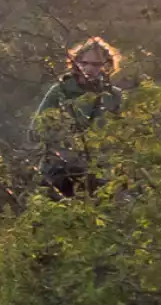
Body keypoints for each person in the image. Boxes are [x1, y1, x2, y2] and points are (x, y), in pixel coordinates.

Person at [32, 37, 124, 198]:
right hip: (60, 170)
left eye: (96, 64)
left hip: (98, 171)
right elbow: (35, 131)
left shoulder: (114, 95)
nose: (89, 68)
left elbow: (123, 134)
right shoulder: (60, 91)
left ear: (106, 66)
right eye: (84, 63)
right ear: (76, 63)